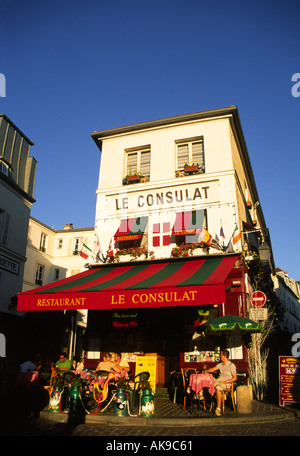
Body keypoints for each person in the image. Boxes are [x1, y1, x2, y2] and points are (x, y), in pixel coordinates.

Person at [204, 349, 237, 416]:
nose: (220, 356)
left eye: (221, 355)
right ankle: (200, 395)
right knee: (208, 380)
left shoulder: (231, 365)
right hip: (219, 380)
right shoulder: (221, 364)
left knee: (218, 388)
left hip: (226, 382)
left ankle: (218, 409)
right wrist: (206, 371)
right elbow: (213, 369)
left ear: (224, 356)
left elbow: (235, 378)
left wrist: (226, 381)